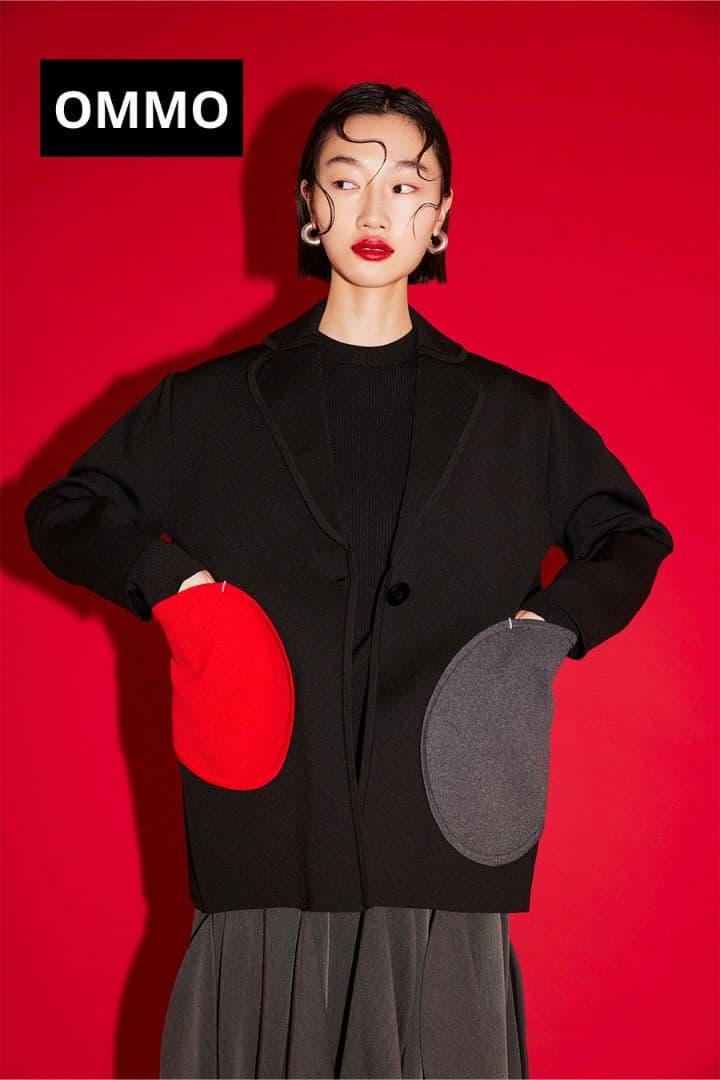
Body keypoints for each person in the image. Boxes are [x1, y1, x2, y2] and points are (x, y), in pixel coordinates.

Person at [25, 83, 673, 1079]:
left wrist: (544, 630)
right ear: (307, 206)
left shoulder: (515, 415)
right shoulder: (211, 405)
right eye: (346, 179)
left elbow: (630, 536)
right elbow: (65, 511)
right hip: (266, 835)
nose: (375, 209)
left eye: (406, 185)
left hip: (443, 838)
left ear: (442, 217)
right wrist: (180, 588)